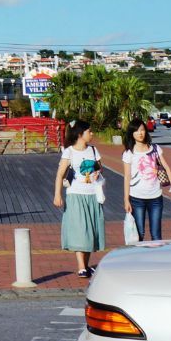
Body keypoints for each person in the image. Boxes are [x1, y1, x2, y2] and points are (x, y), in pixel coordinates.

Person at [53, 119, 106, 277]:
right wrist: (57, 194)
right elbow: (60, 174)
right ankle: (81, 266)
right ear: (80, 134)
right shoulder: (69, 152)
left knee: (92, 230)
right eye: (89, 131)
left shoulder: (94, 150)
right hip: (76, 195)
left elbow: (99, 167)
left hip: (93, 195)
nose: (92, 133)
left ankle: (87, 265)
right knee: (80, 230)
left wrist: (97, 172)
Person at [121, 117, 171, 241]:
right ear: (132, 134)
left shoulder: (155, 149)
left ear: (146, 131)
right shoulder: (129, 153)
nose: (140, 133)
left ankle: (156, 259)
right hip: (136, 198)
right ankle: (139, 259)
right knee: (139, 234)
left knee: (156, 234)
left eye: (142, 130)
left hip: (156, 197)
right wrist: (126, 200)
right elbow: (127, 177)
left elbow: (167, 168)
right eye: (136, 131)